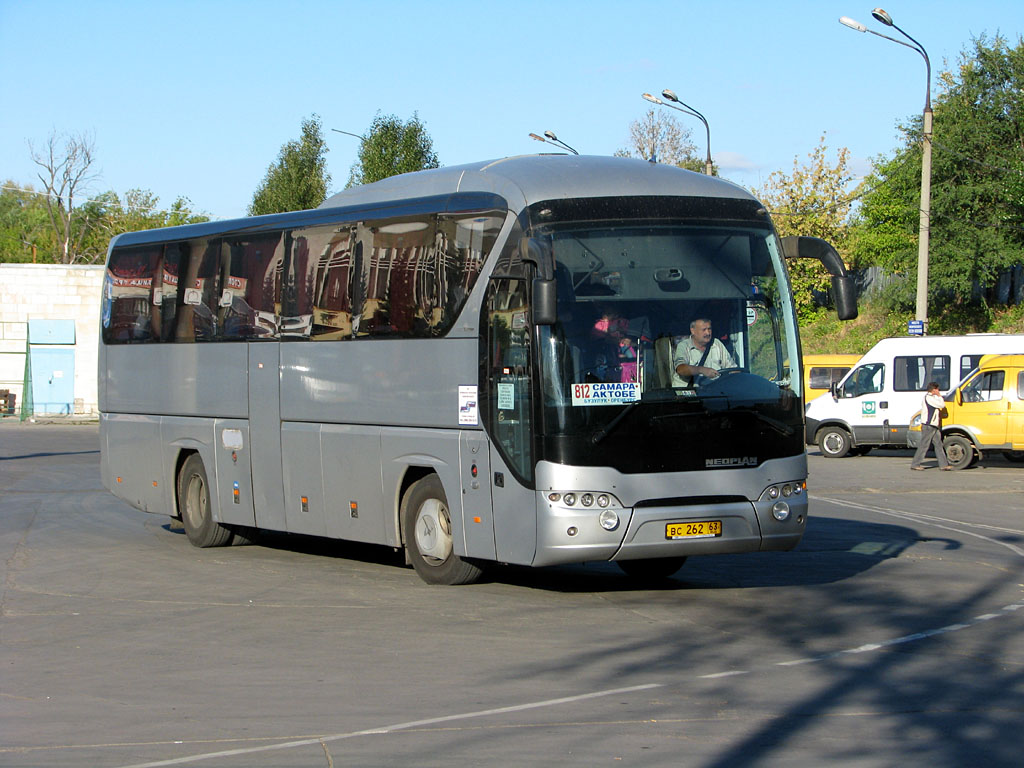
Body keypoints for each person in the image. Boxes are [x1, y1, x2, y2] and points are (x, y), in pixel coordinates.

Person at [672, 317, 736, 387]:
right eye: (704, 330)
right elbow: (681, 369)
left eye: (709, 329)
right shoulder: (684, 346)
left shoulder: (717, 344)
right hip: (690, 394)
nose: (708, 333)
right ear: (693, 331)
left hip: (714, 392)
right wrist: (701, 370)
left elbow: (732, 369)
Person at [911, 381, 951, 471]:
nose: (938, 391)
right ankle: (915, 464)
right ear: (933, 390)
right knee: (924, 445)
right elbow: (942, 405)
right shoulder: (929, 398)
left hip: (933, 425)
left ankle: (943, 465)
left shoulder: (931, 397)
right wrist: (939, 396)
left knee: (938, 444)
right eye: (937, 389)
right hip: (929, 425)